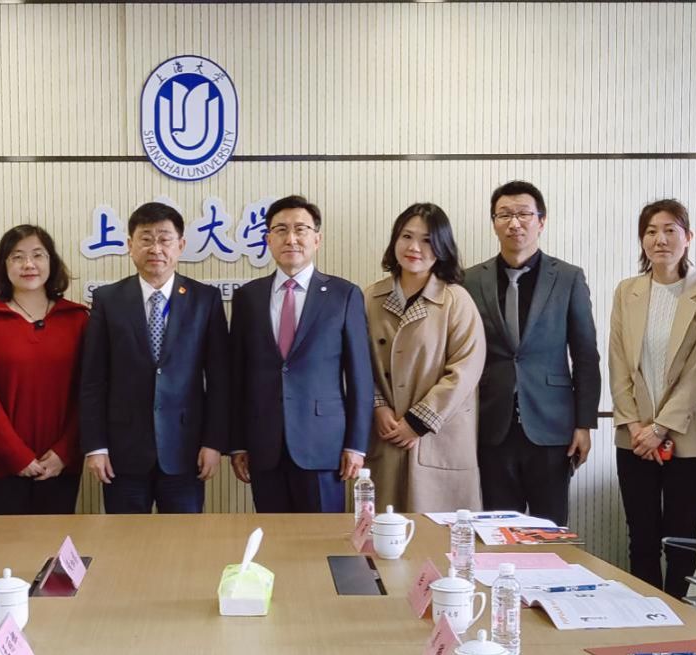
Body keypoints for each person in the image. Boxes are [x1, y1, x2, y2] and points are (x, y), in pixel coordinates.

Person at [462, 180, 600, 527]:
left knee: (549, 531)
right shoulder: (469, 280)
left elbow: (585, 355)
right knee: (494, 530)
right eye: (504, 215)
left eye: (524, 214)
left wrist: (584, 424)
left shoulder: (567, 277)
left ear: (541, 220)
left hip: (552, 429)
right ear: (494, 222)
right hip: (490, 426)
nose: (514, 223)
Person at [80, 202, 229, 513]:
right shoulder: (108, 299)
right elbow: (93, 379)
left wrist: (213, 442)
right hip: (122, 452)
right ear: (130, 245)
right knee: (124, 538)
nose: (156, 248)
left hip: (186, 450)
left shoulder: (205, 299)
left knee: (183, 538)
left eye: (164, 239)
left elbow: (220, 380)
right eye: (146, 239)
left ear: (181, 245)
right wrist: (96, 446)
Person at [609, 200, 696, 597]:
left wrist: (660, 428)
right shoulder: (627, 291)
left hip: (689, 435)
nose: (660, 239)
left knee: (681, 539)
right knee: (640, 537)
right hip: (634, 436)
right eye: (651, 231)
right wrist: (636, 426)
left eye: (670, 230)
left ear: (688, 237)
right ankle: (645, 616)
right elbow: (618, 363)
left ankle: (680, 617)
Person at [229, 195, 374, 513]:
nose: (291, 238)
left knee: (321, 536)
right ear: (268, 239)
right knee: (272, 535)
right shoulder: (248, 297)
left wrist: (356, 444)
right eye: (280, 230)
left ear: (316, 239)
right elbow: (236, 377)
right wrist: (238, 442)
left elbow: (360, 377)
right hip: (263, 444)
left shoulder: (344, 295)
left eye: (300, 229)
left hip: (323, 444)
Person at [364, 203, 486, 512]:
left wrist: (418, 421)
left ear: (442, 247)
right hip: (385, 432)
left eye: (428, 240)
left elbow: (466, 369)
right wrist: (378, 406)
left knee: (437, 531)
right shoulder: (370, 298)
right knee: (382, 528)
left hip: (438, 436)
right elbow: (357, 364)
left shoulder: (455, 300)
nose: (414, 247)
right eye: (406, 236)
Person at [0, 225, 88, 515]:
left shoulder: (78, 319)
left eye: (37, 255)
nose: (28, 264)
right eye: (17, 257)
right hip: (1, 465)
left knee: (54, 542)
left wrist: (64, 452)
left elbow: (88, 393)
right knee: (4, 543)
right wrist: (16, 455)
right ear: (3, 266)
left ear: (51, 262)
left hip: (61, 465)